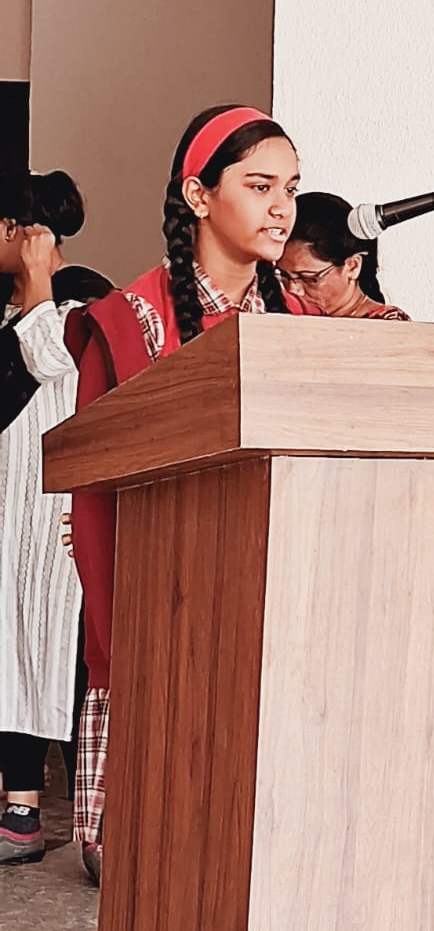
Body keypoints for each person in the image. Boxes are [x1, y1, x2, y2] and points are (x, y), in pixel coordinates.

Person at [66, 106, 311, 885]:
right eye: (260, 185)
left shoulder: (302, 325)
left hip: (274, 622)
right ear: (199, 196)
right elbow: (96, 507)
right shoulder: (127, 325)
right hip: (163, 630)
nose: (281, 208)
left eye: (291, 189)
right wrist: (123, 654)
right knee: (161, 872)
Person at [0, 170, 111, 866]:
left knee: (68, 656)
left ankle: (97, 820)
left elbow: (50, 361)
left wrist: (40, 280)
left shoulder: (85, 298)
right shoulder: (9, 309)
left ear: (20, 231)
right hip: (11, 516)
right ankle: (20, 810)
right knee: (10, 650)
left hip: (61, 517)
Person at [278, 191, 410, 318]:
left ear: (353, 267)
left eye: (309, 279)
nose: (292, 290)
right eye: (284, 275)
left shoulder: (388, 323)